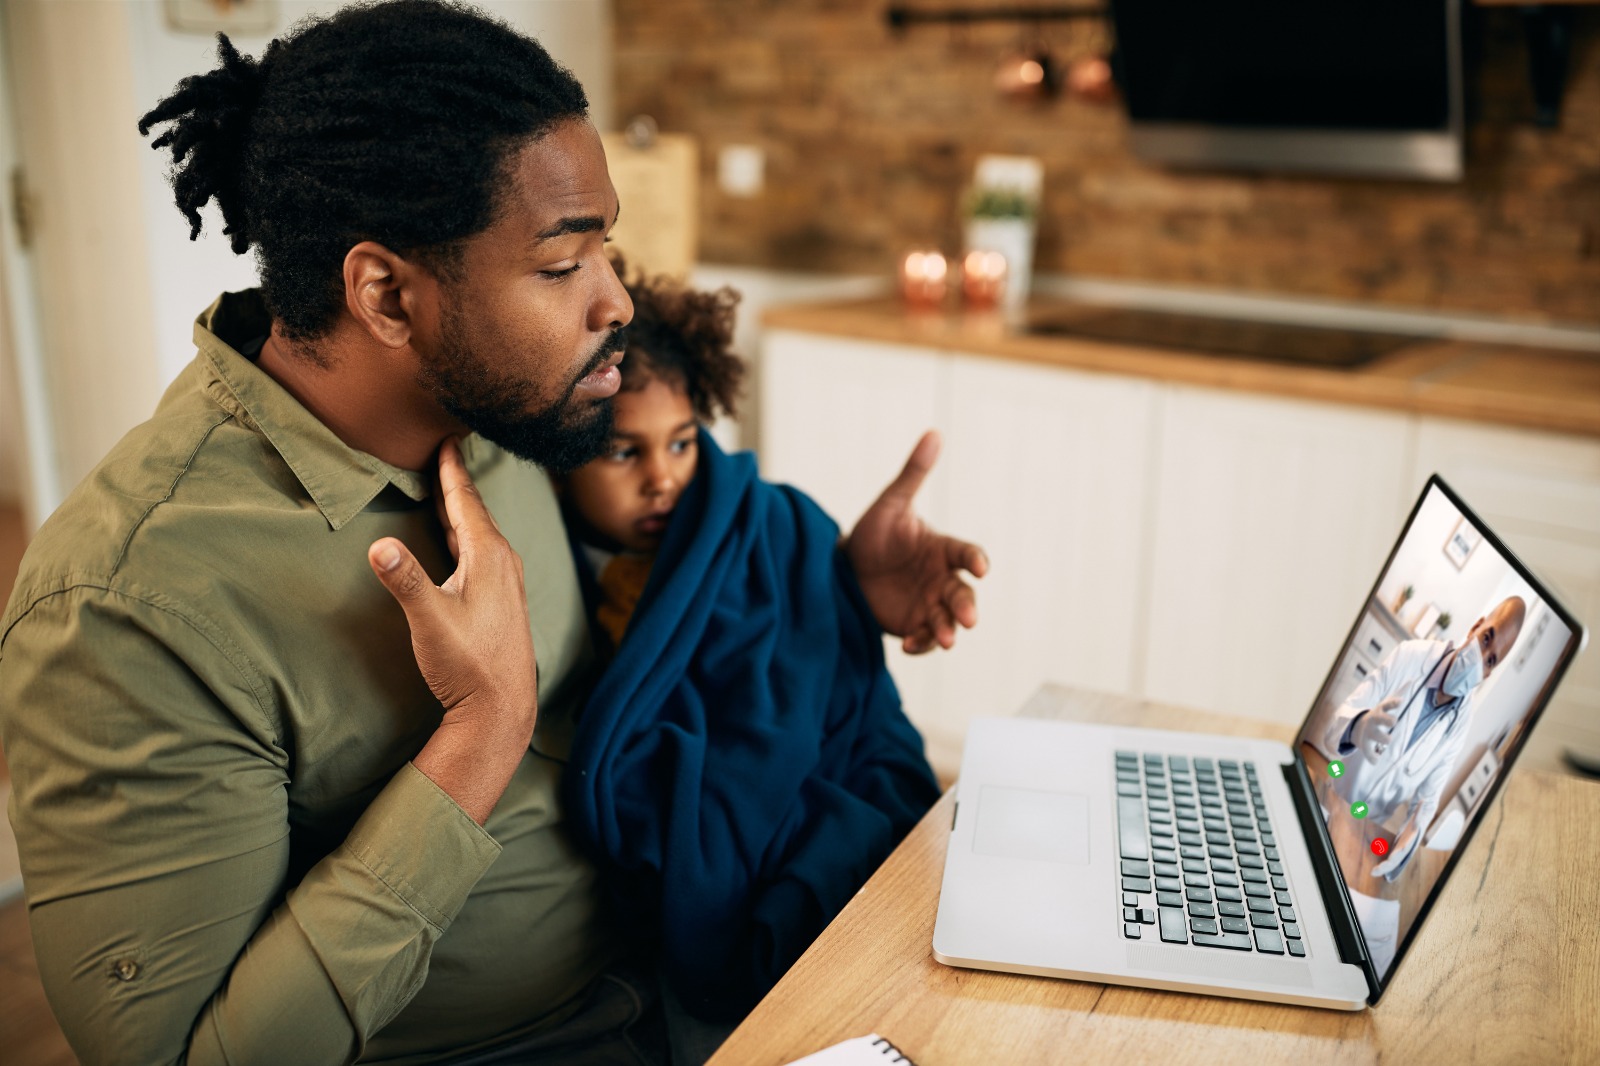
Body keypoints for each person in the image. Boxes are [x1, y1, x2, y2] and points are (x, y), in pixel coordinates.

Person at [0, 4, 984, 1064]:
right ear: (386, 294)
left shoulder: (513, 416)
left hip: (697, 970)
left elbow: (659, 580)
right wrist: (481, 730)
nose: (614, 301)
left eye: (606, 249)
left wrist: (823, 583)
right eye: (562, 267)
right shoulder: (125, 607)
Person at [556, 267, 946, 1022]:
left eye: (680, 443)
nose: (663, 479)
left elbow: (821, 672)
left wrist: (854, 594)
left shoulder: (768, 526)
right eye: (624, 453)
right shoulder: (560, 568)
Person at [1318, 596, 1525, 881]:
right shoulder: (1411, 656)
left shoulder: (1460, 723)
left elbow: (1427, 800)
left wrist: (1413, 834)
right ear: (1476, 626)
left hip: (1368, 828)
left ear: (1489, 673)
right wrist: (1356, 727)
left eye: (1490, 660)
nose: (1482, 656)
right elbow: (1333, 727)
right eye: (1487, 637)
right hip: (1334, 798)